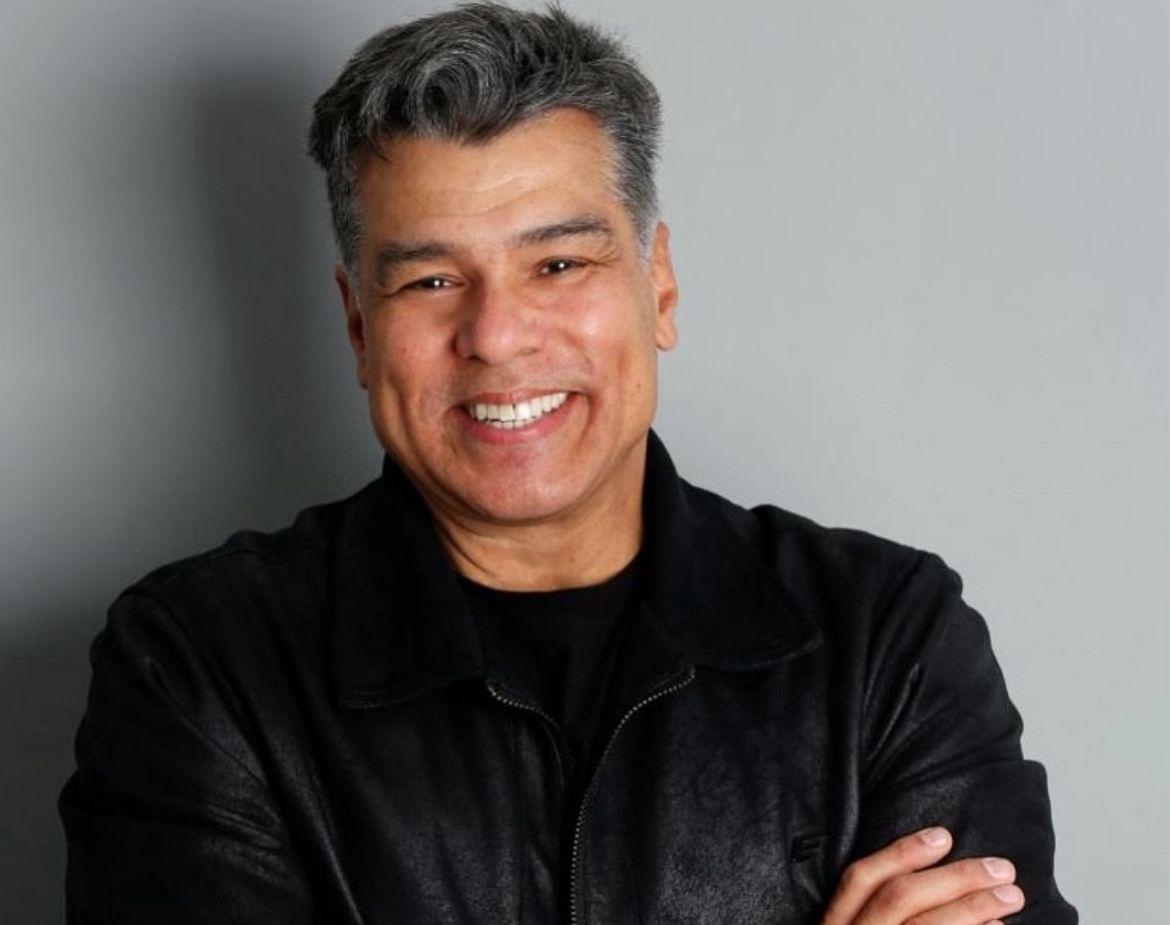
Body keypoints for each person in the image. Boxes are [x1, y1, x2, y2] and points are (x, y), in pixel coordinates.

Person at [60, 4, 1076, 923]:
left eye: (557, 263)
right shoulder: (200, 665)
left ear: (659, 286)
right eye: (430, 280)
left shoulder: (885, 637)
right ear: (359, 325)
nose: (497, 335)